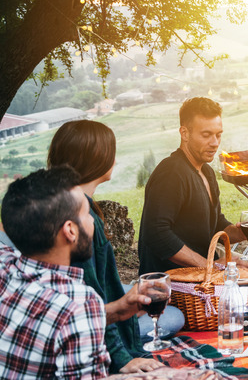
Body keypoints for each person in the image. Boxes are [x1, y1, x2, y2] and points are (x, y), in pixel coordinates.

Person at [48, 120, 174, 374]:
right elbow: (91, 296)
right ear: (96, 157)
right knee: (172, 316)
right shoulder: (83, 219)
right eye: (111, 152)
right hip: (87, 318)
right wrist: (122, 357)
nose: (114, 160)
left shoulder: (61, 201)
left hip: (80, 307)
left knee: (148, 298)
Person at [0, 167, 151, 378]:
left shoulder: (5, 267)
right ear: (70, 230)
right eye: (86, 213)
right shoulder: (79, 305)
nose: (93, 221)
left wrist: (117, 310)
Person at [138, 97, 248, 275]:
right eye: (206, 135)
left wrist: (242, 232)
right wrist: (210, 267)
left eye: (218, 134)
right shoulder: (172, 173)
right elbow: (156, 234)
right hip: (174, 277)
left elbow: (215, 226)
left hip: (203, 266)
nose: (214, 143)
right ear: (185, 133)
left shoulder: (207, 172)